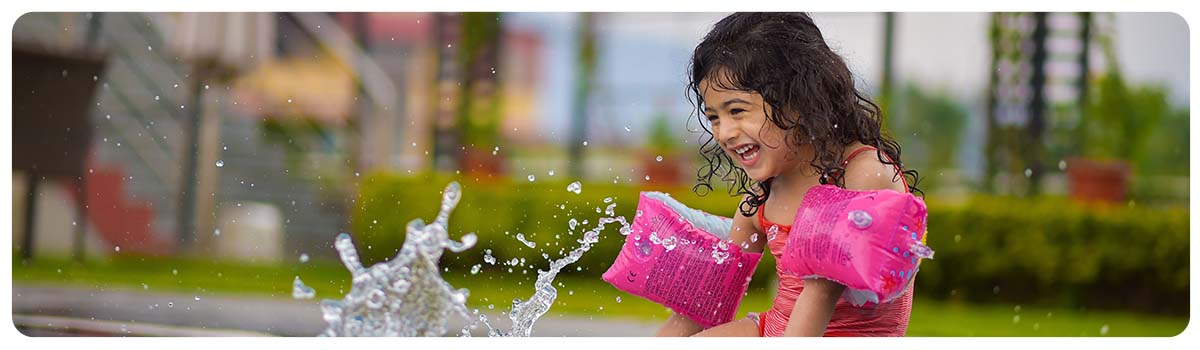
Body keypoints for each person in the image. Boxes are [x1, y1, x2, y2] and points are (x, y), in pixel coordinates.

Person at [655, 12, 923, 337]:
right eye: (714, 117)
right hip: (774, 329)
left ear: (797, 100)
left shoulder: (860, 175)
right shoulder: (761, 200)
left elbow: (819, 297)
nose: (724, 132)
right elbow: (703, 304)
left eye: (737, 110)